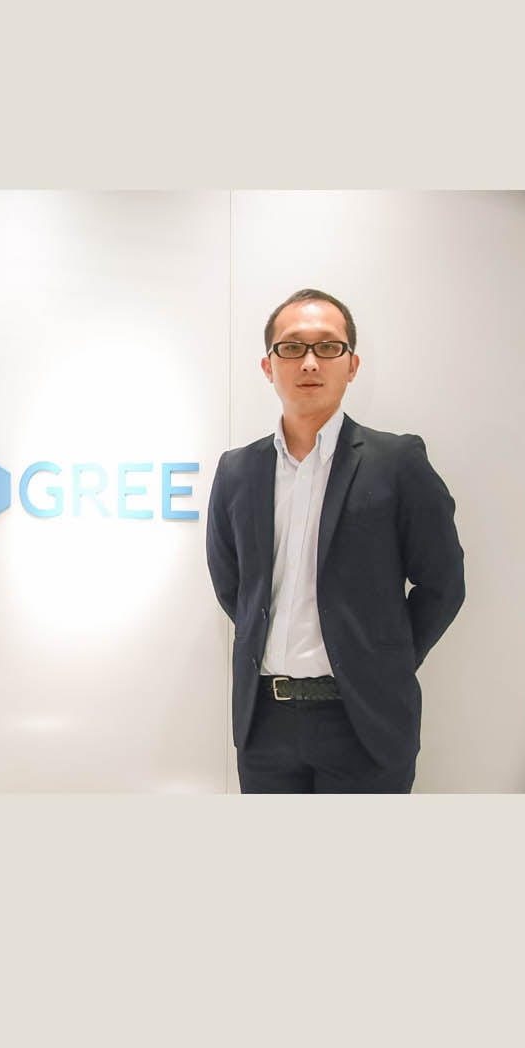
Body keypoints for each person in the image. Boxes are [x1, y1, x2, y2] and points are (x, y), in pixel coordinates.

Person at [205, 289, 464, 793]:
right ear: (268, 366)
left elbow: (443, 584)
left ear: (352, 365)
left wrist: (381, 661)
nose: (309, 362)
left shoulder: (398, 463)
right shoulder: (237, 471)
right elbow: (232, 586)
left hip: (365, 724)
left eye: (328, 347)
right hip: (264, 726)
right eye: (291, 347)